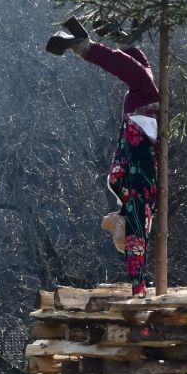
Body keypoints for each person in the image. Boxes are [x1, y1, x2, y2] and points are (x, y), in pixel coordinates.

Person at [46, 17, 159, 293]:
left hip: (139, 132)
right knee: (141, 74)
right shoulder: (134, 202)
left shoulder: (135, 206)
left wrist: (138, 286)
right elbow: (136, 68)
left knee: (139, 75)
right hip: (140, 133)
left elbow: (137, 247)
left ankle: (85, 46)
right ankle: (98, 43)